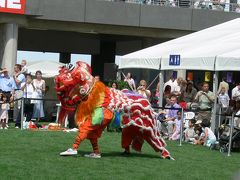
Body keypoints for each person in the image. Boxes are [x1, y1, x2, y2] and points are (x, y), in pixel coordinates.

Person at [13, 64, 26, 128]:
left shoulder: (21, 75)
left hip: (19, 91)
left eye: (15, 68)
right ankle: (16, 122)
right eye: (14, 68)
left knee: (19, 107)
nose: (14, 69)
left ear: (18, 69)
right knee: (15, 107)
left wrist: (15, 77)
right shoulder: (16, 75)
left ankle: (20, 121)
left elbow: (17, 82)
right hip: (15, 91)